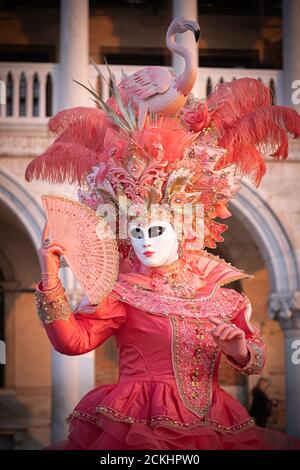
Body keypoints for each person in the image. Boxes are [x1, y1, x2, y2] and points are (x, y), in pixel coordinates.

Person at [25, 17, 300, 451]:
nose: (145, 241)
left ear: (186, 226)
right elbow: (73, 343)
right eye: (135, 232)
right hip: (135, 427)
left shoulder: (222, 294)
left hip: (216, 425)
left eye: (155, 229)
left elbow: (254, 358)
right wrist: (49, 274)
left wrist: (239, 351)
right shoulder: (122, 292)